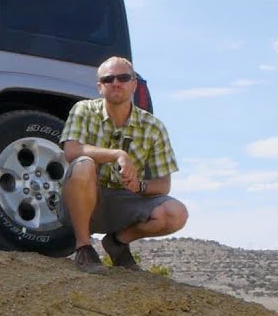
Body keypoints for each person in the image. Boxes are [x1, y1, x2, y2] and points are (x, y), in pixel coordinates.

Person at [60, 56, 187, 273]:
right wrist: (117, 154)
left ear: (134, 84)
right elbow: (71, 150)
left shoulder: (153, 127)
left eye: (123, 77)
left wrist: (139, 186)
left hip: (125, 204)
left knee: (176, 213)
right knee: (83, 164)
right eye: (108, 79)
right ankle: (83, 248)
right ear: (100, 87)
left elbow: (164, 184)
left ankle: (118, 243)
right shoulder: (83, 110)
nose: (116, 83)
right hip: (84, 200)